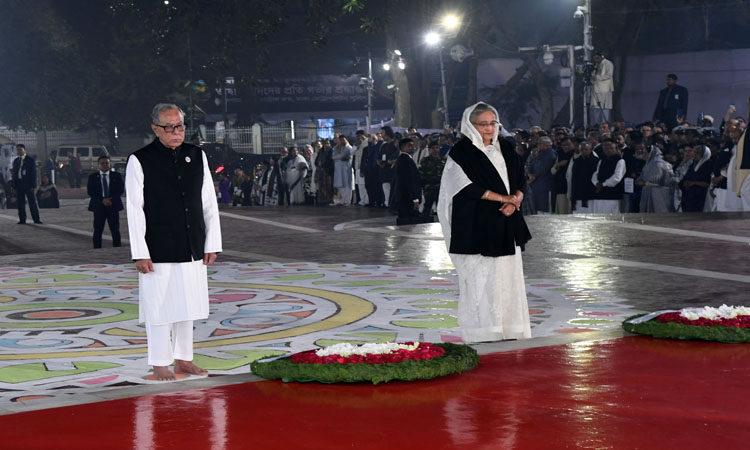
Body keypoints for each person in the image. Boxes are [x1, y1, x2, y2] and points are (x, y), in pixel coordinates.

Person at [125, 103, 222, 381]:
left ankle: (183, 359)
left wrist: (211, 242)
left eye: (180, 126)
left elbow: (208, 202)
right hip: (157, 247)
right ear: (156, 129)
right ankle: (159, 363)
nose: (176, 131)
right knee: (159, 306)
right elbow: (134, 208)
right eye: (169, 127)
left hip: (192, 242)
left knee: (187, 304)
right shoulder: (140, 159)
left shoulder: (196, 155)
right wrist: (140, 252)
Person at [437, 102, 532, 343]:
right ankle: (484, 330)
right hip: (477, 223)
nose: (489, 129)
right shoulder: (461, 152)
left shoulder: (507, 149)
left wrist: (515, 200)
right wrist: (504, 198)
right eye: (483, 124)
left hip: (507, 221)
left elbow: (521, 178)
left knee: (507, 276)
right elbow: (462, 186)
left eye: (493, 123)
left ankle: (511, 327)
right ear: (471, 125)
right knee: (482, 279)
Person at [87, 156, 124, 248]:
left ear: (109, 164)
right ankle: (97, 248)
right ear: (98, 165)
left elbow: (120, 190)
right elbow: (90, 191)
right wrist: (102, 200)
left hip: (113, 205)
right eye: (102, 163)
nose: (104, 165)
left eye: (106, 163)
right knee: (98, 229)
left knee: (115, 229)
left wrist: (111, 200)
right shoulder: (92, 177)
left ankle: (117, 247)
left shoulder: (116, 176)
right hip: (99, 206)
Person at [637, 143, 674, 213]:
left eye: (645, 153)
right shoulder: (648, 164)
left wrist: (645, 183)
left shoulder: (658, 164)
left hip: (659, 194)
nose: (643, 154)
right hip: (650, 192)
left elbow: (659, 182)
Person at [591, 138, 625, 213]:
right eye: (606, 148)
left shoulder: (620, 161)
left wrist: (603, 184)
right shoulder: (601, 161)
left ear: (615, 148)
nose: (608, 150)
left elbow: (617, 178)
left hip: (612, 196)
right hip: (600, 194)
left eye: (611, 148)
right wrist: (596, 183)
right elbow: (595, 174)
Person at [11, 144, 42, 224]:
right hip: (19, 184)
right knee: (20, 203)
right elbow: (14, 173)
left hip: (28, 185)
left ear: (24, 150)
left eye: (20, 149)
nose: (19, 151)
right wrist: (14, 185)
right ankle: (22, 219)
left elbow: (33, 174)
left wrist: (33, 185)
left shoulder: (30, 160)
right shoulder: (16, 161)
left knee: (32, 202)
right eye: (17, 150)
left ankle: (36, 219)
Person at [394, 138, 422, 224]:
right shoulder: (405, 160)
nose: (412, 148)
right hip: (407, 198)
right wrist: (415, 199)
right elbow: (410, 181)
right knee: (409, 222)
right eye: (409, 146)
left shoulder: (404, 159)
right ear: (402, 148)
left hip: (404, 197)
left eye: (413, 145)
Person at [528, 136, 557, 213]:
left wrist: (533, 176)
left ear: (546, 144)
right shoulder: (541, 154)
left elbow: (542, 169)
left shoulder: (550, 154)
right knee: (538, 209)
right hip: (538, 185)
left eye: (539, 144)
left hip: (545, 185)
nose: (538, 146)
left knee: (544, 209)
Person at [680, 145, 712, 212]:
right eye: (694, 152)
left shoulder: (708, 165)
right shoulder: (693, 165)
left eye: (697, 153)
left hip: (702, 197)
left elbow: (707, 182)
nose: (695, 155)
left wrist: (694, 183)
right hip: (689, 197)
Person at [419, 140, 445, 216]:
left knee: (442, 210)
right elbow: (421, 176)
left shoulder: (443, 160)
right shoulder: (425, 161)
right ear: (429, 150)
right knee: (427, 208)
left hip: (440, 189)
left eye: (437, 148)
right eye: (433, 148)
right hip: (429, 188)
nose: (435, 150)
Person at [591, 52, 614, 122]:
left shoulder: (608, 63)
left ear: (601, 57)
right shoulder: (596, 65)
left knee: (604, 109)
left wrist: (597, 77)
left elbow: (609, 75)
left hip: (605, 89)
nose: (596, 60)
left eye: (597, 58)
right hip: (596, 89)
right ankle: (596, 126)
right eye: (594, 59)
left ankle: (605, 125)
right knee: (595, 109)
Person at [332, 135, 353, 205]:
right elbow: (333, 156)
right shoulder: (339, 147)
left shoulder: (349, 148)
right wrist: (337, 155)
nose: (342, 141)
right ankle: (343, 200)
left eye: (343, 140)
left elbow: (341, 156)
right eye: (340, 140)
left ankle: (348, 201)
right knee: (341, 185)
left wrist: (338, 156)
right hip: (339, 170)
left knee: (347, 185)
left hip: (346, 169)